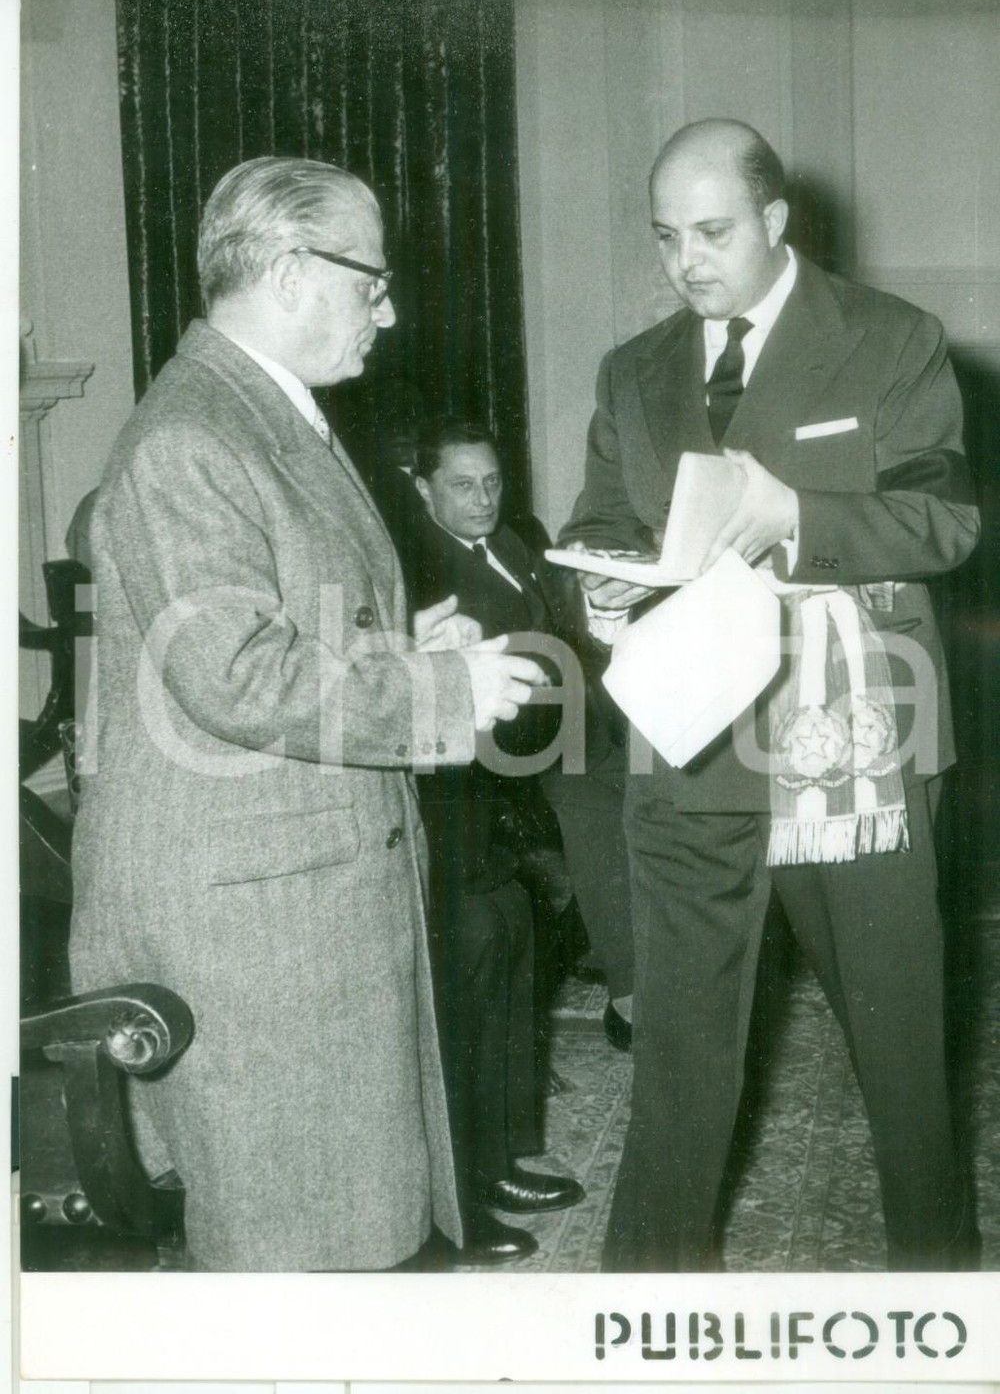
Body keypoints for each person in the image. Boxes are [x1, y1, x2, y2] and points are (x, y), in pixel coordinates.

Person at [69, 156, 544, 1273]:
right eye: (369, 281)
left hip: (295, 895)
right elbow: (230, 672)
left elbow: (271, 628)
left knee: (344, 1231)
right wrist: (440, 693)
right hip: (249, 928)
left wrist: (397, 650)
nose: (389, 308)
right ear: (289, 272)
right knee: (294, 1253)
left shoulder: (266, 415)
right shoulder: (194, 433)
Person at [559, 119, 981, 1271]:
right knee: (681, 1052)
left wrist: (795, 514)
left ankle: (938, 1302)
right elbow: (601, 519)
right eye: (664, 238)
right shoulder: (633, 370)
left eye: (711, 232)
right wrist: (598, 583)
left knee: (898, 1061)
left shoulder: (890, 340)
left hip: (851, 743)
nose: (686, 260)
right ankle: (643, 1305)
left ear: (776, 221)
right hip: (690, 744)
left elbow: (944, 518)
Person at [401, 417, 635, 1039]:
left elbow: (560, 623)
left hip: (572, 719)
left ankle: (645, 957)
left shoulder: (510, 540)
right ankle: (631, 993)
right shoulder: (417, 566)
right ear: (423, 489)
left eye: (493, 483)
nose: (483, 501)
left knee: (663, 800)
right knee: (596, 815)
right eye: (462, 486)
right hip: (504, 745)